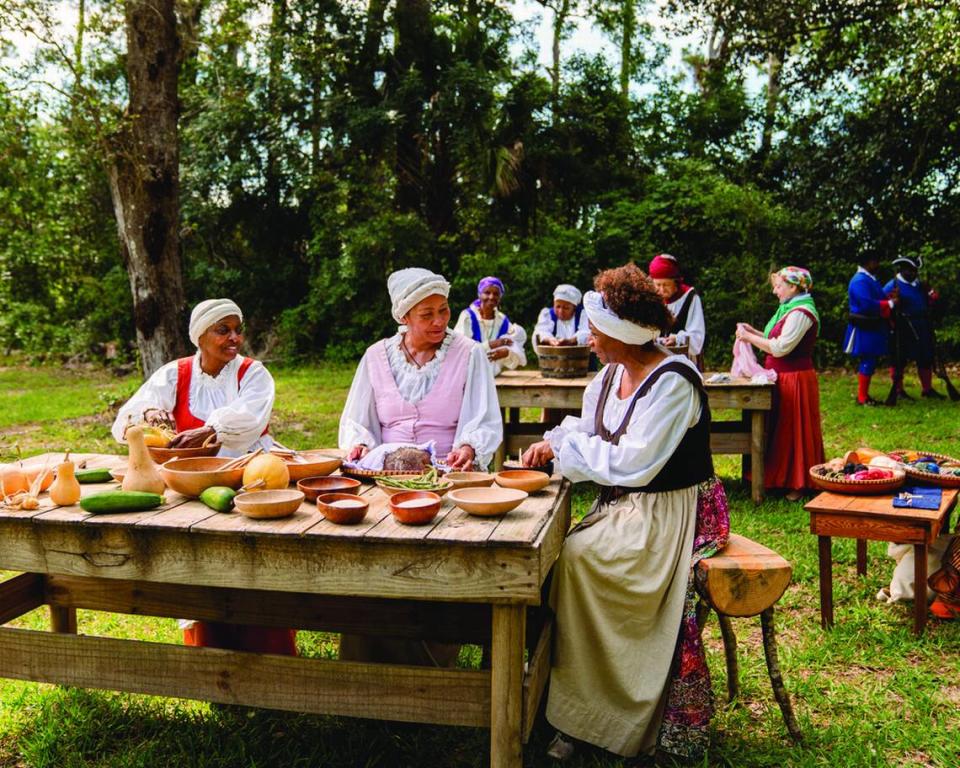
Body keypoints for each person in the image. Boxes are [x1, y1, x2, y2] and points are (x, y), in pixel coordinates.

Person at [522, 263, 727, 763]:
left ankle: (608, 714)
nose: (589, 340)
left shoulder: (674, 382)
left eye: (595, 332)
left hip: (666, 511)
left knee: (579, 561)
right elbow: (592, 428)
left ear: (621, 336)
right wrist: (554, 441)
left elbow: (635, 463)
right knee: (560, 557)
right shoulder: (613, 374)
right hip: (627, 503)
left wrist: (566, 454)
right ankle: (567, 704)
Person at [338, 267, 503, 665]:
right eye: (426, 314)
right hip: (385, 480)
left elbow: (482, 418)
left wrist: (468, 445)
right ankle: (368, 660)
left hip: (445, 482)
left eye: (443, 311)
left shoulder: (470, 354)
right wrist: (360, 444)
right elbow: (356, 420)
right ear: (403, 317)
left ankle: (432, 656)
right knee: (369, 555)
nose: (439, 321)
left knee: (438, 560)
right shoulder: (376, 356)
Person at [111, 298, 294, 656]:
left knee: (254, 563)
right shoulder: (174, 373)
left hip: (248, 478)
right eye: (222, 330)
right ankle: (210, 654)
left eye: (237, 330)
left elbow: (248, 420)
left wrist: (208, 430)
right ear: (200, 336)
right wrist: (148, 413)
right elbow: (125, 421)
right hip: (188, 486)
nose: (234, 338)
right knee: (198, 564)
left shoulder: (252, 373)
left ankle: (271, 655)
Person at [735, 267, 826, 501]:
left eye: (778, 286)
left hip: (795, 377)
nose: (775, 291)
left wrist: (748, 338)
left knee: (794, 429)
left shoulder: (802, 312)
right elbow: (772, 339)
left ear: (794, 287)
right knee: (779, 428)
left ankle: (799, 482)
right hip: (780, 375)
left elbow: (781, 347)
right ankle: (777, 477)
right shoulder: (788, 309)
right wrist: (752, 331)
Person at [884, 255, 944, 399]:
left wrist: (932, 296)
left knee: (925, 357)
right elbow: (885, 308)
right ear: (903, 269)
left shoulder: (920, 285)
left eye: (915, 271)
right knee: (899, 359)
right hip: (902, 327)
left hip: (922, 325)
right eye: (910, 270)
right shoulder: (892, 285)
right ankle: (898, 390)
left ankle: (927, 389)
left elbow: (931, 301)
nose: (913, 273)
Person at [843, 251, 898, 405]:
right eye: (875, 261)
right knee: (868, 359)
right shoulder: (860, 281)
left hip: (872, 325)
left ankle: (864, 396)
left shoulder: (869, 279)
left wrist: (889, 299)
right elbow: (866, 304)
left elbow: (877, 298)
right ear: (868, 263)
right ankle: (862, 397)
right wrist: (890, 304)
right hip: (865, 325)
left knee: (871, 359)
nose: (878, 265)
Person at [453, 276, 527, 375]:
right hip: (467, 375)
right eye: (487, 293)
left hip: (493, 376)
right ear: (479, 295)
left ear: (500, 297)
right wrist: (492, 344)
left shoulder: (502, 321)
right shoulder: (468, 317)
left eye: (496, 294)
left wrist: (506, 352)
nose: (491, 297)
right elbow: (460, 349)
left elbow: (516, 348)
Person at [648, 253, 705, 369]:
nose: (662, 289)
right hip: (655, 362)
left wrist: (677, 339)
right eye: (658, 285)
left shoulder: (690, 297)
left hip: (684, 362)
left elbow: (697, 336)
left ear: (676, 282)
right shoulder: (651, 298)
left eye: (666, 285)